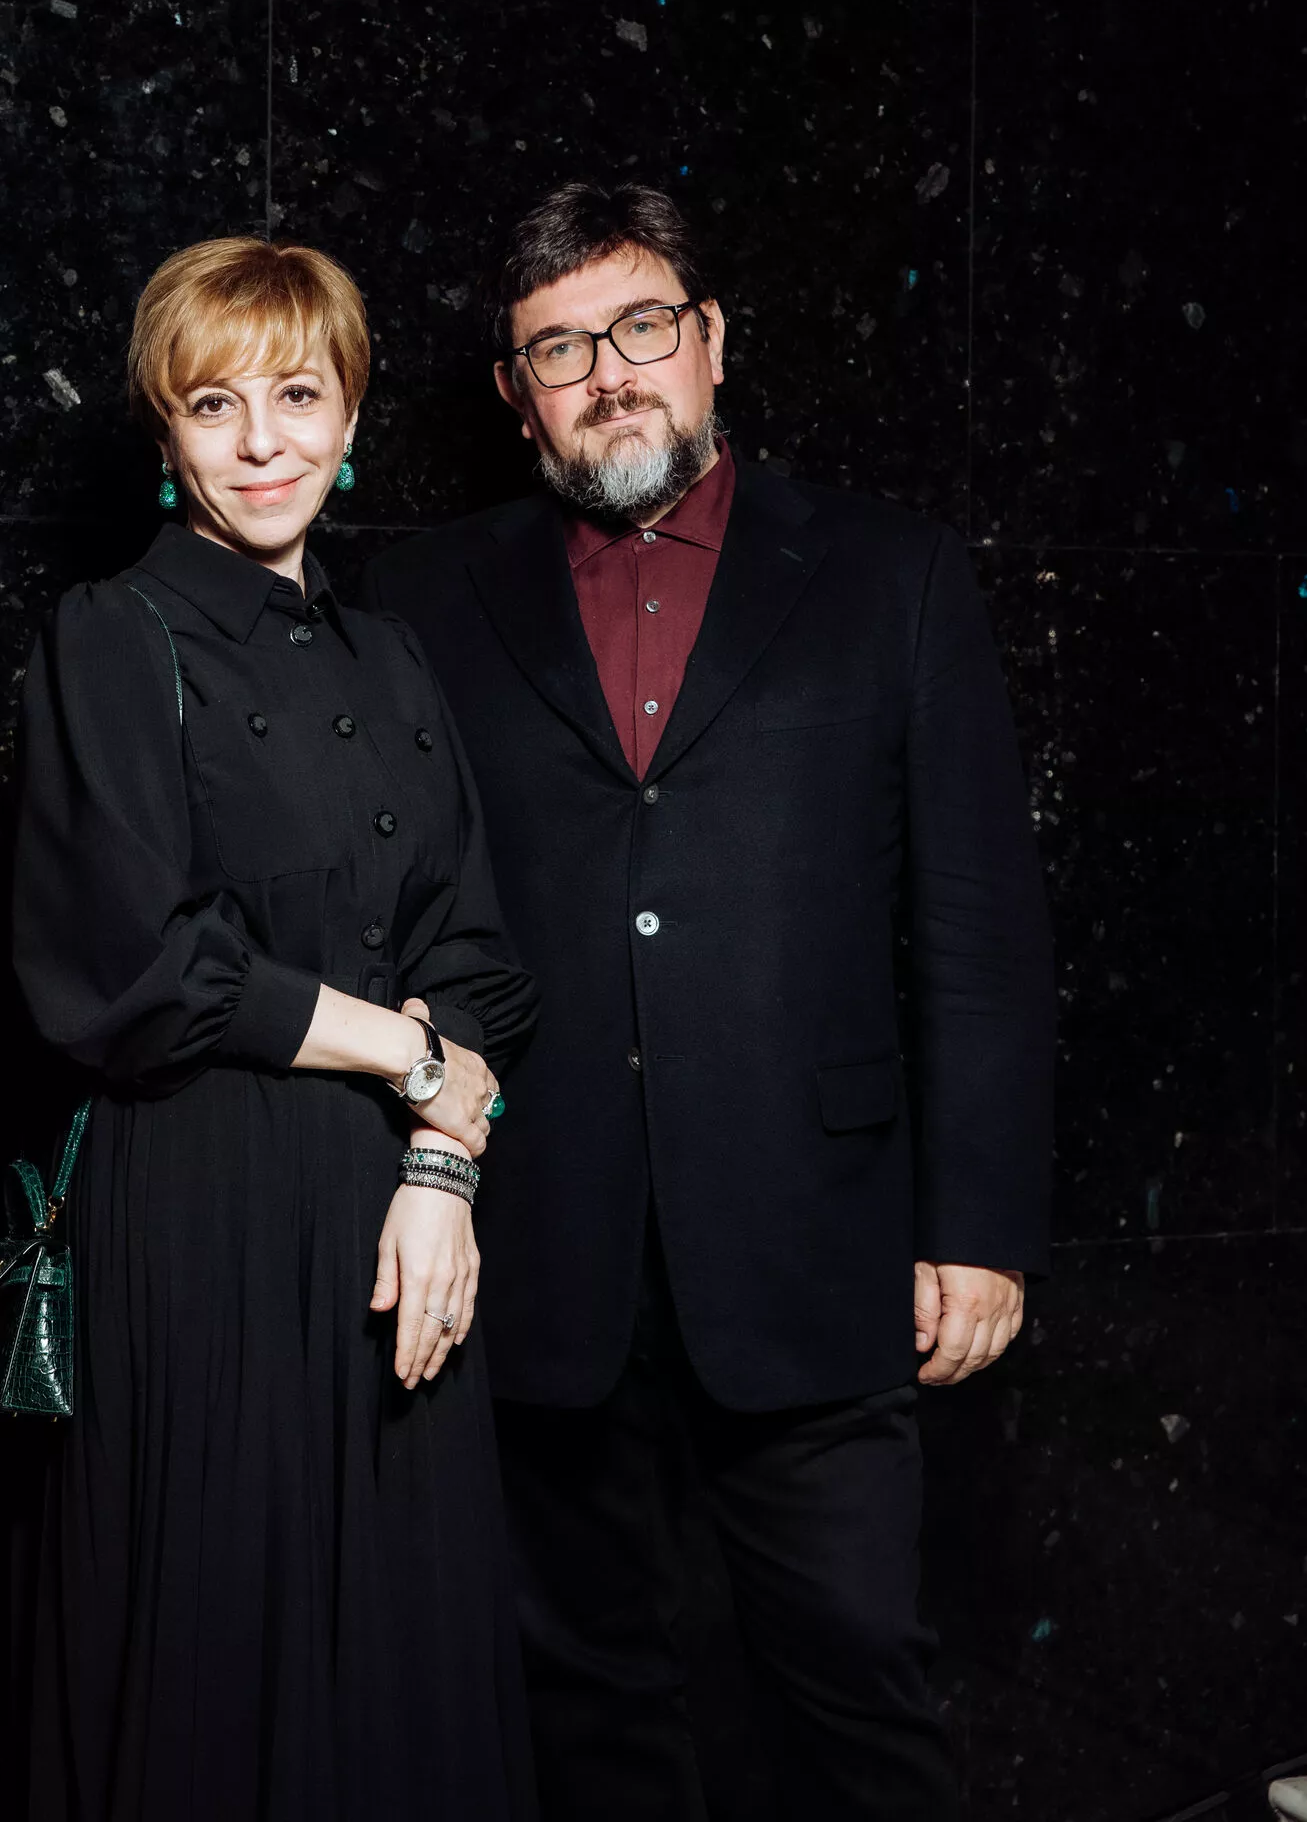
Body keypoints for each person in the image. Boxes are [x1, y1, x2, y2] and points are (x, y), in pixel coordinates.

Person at [361, 181, 1057, 1821]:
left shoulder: (891, 574)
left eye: (642, 325)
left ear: (714, 339)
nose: (610, 372)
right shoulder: (427, 597)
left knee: (856, 1684)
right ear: (516, 394)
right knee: (584, 1704)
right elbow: (395, 912)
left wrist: (980, 1224)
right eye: (560, 348)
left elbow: (977, 926)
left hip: (817, 1243)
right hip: (542, 1243)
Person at [7, 236, 538, 1822]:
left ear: (350, 413)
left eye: (298, 396)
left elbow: (481, 952)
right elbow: (137, 971)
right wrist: (415, 1061)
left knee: (401, 1670)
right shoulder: (115, 634)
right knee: (220, 1662)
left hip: (405, 1232)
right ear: (165, 435)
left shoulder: (394, 654)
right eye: (214, 404)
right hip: (204, 1218)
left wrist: (441, 1169)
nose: (261, 443)